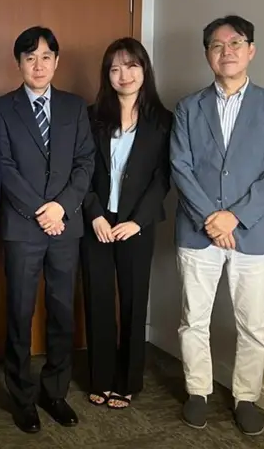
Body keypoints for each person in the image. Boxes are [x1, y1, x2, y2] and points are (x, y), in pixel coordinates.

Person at [170, 15, 264, 436]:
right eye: (217, 45)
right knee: (194, 319)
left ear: (251, 50)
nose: (227, 52)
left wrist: (234, 217)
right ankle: (198, 391)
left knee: (253, 324)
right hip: (198, 231)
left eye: (236, 43)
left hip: (253, 233)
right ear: (207, 53)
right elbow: (181, 166)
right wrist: (212, 218)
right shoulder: (188, 107)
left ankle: (247, 397)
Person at [0, 26, 95, 433]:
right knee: (19, 313)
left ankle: (55, 392)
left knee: (62, 312)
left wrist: (61, 207)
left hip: (66, 226)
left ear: (56, 61)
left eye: (46, 57)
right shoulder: (1, 109)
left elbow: (85, 162)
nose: (38, 65)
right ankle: (22, 398)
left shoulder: (75, 107)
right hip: (23, 226)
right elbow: (2, 166)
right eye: (30, 57)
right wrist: (40, 209)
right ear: (18, 63)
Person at [80, 37, 172, 410]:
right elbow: (80, 170)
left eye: (132, 66)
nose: (124, 75)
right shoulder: (90, 117)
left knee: (134, 301)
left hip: (137, 224)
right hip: (97, 222)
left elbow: (163, 178)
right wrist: (94, 213)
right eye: (115, 68)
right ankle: (100, 377)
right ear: (107, 75)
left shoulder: (163, 121)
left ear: (144, 70)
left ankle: (129, 380)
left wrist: (137, 221)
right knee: (98, 299)